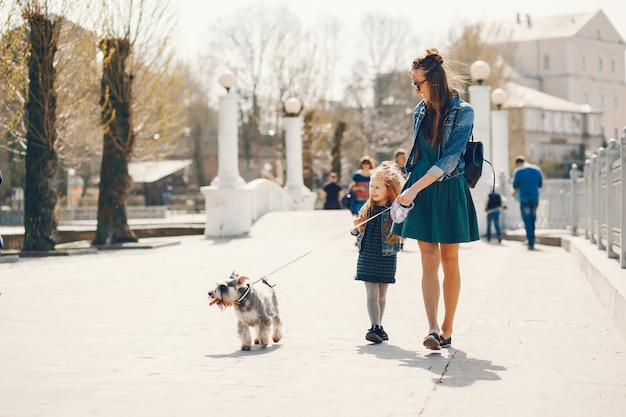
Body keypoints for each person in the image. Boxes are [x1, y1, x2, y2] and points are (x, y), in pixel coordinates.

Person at [392, 48, 479, 350]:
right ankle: (431, 329)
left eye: (419, 83)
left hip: (447, 188)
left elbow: (451, 159)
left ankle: (447, 328)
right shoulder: (420, 111)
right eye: (414, 84)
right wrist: (407, 187)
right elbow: (419, 156)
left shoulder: (463, 111)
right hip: (420, 188)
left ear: (435, 81)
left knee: (449, 259)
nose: (416, 90)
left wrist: (413, 189)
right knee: (427, 259)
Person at [352, 161, 404, 344]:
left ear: (389, 189)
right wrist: (357, 227)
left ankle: (379, 326)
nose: (372, 191)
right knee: (372, 293)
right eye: (371, 186)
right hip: (367, 254)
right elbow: (357, 232)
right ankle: (374, 326)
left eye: (377, 187)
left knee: (382, 294)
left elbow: (402, 229)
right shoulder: (367, 208)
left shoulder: (395, 210)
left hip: (386, 256)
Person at [512, 155, 543, 250]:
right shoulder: (537, 170)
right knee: (533, 220)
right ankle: (532, 238)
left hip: (524, 198)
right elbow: (540, 184)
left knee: (527, 220)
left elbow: (515, 185)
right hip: (534, 198)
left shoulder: (518, 171)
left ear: (518, 164)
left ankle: (530, 242)